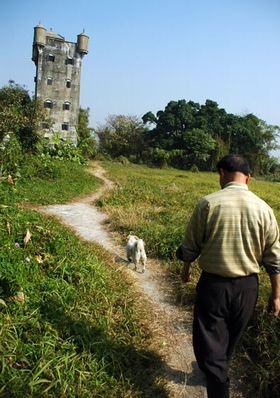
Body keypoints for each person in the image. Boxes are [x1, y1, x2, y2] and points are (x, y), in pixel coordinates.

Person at [176, 154, 280, 398]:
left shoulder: (208, 204)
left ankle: (218, 383)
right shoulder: (264, 209)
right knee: (229, 339)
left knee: (210, 344)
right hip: (248, 289)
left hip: (214, 286)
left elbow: (190, 246)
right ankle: (217, 371)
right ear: (248, 178)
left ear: (221, 173)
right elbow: (274, 259)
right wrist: (276, 296)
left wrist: (186, 268)